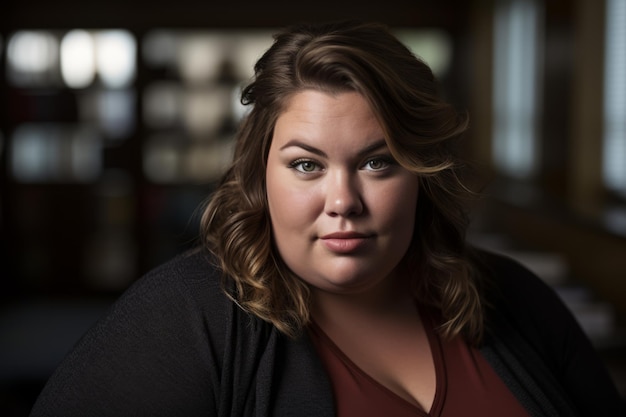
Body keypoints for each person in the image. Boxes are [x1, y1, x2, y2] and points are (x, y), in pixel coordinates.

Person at [30, 20, 624, 417]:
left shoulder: (515, 298)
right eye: (307, 166)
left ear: (423, 173)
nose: (343, 200)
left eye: (376, 162)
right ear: (260, 175)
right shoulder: (185, 319)